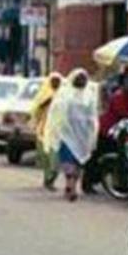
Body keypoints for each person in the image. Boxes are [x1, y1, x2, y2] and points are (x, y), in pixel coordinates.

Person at [44, 69, 98, 201]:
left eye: (84, 79)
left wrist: (92, 132)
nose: (81, 81)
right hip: (67, 134)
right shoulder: (64, 94)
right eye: (79, 78)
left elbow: (92, 117)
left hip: (82, 135)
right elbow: (56, 114)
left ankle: (71, 185)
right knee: (70, 161)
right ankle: (71, 186)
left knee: (77, 161)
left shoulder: (89, 96)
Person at [84, 75, 128, 193]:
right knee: (97, 156)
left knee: (120, 157)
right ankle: (88, 182)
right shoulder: (118, 96)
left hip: (120, 130)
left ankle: (119, 183)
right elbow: (122, 112)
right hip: (107, 130)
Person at [30, 72, 63, 190]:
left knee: (55, 159)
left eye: (58, 81)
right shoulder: (44, 95)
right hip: (44, 130)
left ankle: (52, 176)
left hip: (57, 131)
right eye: (53, 81)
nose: (56, 83)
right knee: (46, 157)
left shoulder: (63, 95)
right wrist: (48, 101)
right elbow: (36, 110)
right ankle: (48, 179)